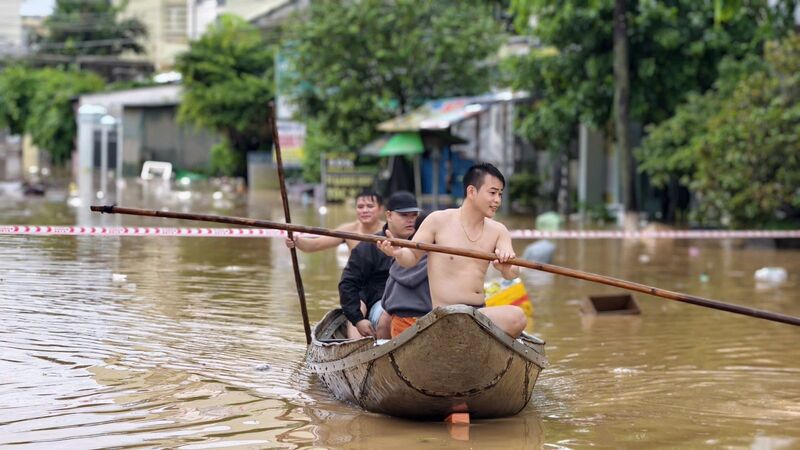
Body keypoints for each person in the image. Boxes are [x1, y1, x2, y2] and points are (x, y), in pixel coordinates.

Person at [378, 163, 528, 338]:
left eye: (500, 194)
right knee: (465, 319)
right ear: (471, 191)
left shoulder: (498, 230)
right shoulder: (438, 220)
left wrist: (506, 267)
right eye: (493, 193)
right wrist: (397, 252)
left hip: (478, 314)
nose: (497, 200)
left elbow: (513, 272)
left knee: (517, 317)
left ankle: (474, 339)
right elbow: (410, 257)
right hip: (445, 315)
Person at [339, 191, 420, 339]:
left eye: (413, 215)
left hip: (419, 303)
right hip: (381, 304)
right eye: (404, 215)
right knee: (389, 316)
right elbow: (348, 283)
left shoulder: (423, 244)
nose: (410, 220)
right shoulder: (367, 247)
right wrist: (358, 319)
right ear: (389, 216)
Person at [285, 190, 384, 252]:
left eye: (370, 206)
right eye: (360, 207)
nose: (365, 211)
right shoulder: (348, 230)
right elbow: (315, 244)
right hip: (357, 280)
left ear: (381, 209)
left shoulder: (389, 230)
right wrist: (297, 240)